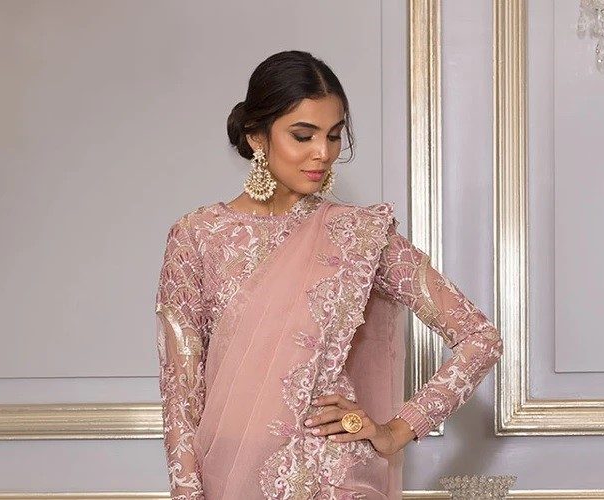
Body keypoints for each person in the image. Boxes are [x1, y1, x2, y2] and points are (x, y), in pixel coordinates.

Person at [154, 50, 503, 500]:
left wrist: (398, 429)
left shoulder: (358, 234)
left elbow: (480, 338)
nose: (323, 153)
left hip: (332, 476)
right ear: (256, 136)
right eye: (303, 135)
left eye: (334, 136)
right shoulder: (198, 236)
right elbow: (181, 393)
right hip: (230, 473)